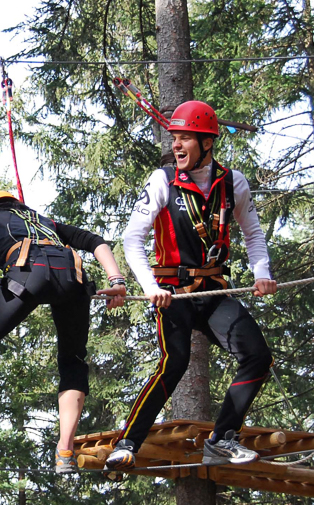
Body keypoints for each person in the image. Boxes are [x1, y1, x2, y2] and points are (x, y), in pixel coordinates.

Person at [101, 100, 277, 471]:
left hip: (213, 290)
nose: (176, 146)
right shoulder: (162, 180)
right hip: (172, 291)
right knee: (175, 361)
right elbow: (132, 239)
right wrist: (150, 286)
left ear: (207, 143)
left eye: (185, 139)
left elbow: (253, 234)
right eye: (174, 138)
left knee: (257, 356)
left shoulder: (233, 183)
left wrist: (262, 272)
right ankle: (127, 442)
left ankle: (221, 439)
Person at [0, 191, 127, 474]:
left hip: (28, 274)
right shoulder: (48, 223)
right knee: (73, 361)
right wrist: (116, 279)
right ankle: (65, 452)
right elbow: (95, 241)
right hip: (73, 280)